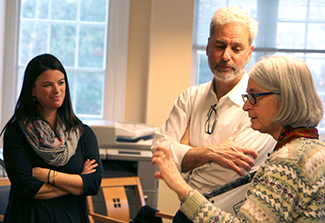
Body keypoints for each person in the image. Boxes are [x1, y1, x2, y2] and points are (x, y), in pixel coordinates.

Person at [152, 55, 325, 222]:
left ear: (284, 99)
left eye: (254, 97)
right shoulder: (316, 149)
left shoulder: (287, 162)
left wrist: (181, 187)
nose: (246, 106)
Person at [151, 6, 276, 195]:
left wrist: (184, 160)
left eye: (236, 48)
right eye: (220, 46)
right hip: (185, 214)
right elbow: (160, 154)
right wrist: (210, 153)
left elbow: (228, 175)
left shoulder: (258, 105)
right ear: (208, 47)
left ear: (249, 53)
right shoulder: (190, 98)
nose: (226, 56)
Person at [1, 53, 103, 223]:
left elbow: (93, 184)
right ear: (32, 89)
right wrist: (77, 183)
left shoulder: (83, 133)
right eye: (48, 84)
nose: (57, 90)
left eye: (61, 82)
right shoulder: (16, 132)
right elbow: (27, 189)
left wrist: (48, 175)